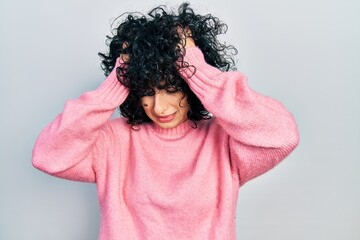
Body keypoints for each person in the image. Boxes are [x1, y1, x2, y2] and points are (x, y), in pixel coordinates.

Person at [32, 3, 299, 239]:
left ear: (190, 86)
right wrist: (114, 84)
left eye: (172, 89)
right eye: (147, 92)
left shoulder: (223, 142)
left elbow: (283, 135)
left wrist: (198, 69)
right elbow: (47, 156)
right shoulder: (113, 141)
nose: (159, 107)